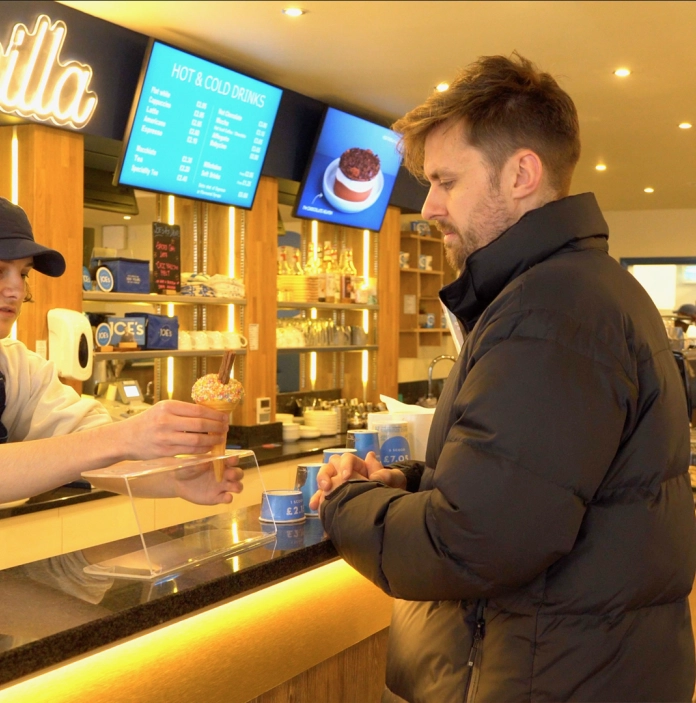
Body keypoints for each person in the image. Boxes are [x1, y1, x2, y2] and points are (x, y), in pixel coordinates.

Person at [311, 53, 696, 701]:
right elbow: (540, 480)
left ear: (521, 174)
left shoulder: (548, 311)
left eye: (446, 180)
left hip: (545, 675)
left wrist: (343, 504)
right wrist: (408, 483)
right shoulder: (586, 287)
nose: (429, 205)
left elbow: (476, 543)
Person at [0, 197, 243, 506]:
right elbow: (103, 446)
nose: (17, 291)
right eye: (0, 271)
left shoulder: (17, 368)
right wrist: (125, 438)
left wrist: (175, 478)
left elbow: (92, 451)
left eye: (23, 274)